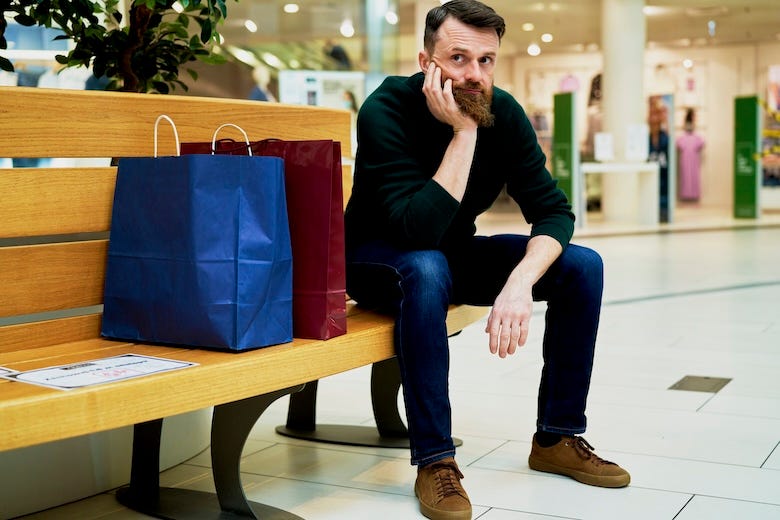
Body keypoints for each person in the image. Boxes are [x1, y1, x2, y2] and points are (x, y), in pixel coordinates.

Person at [343, 1, 630, 519]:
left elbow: (554, 212)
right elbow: (416, 231)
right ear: (426, 62)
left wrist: (519, 283)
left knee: (581, 266)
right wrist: (464, 132)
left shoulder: (506, 112)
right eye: (458, 58)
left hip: (446, 256)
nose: (474, 75)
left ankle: (557, 439)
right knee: (426, 265)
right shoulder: (385, 108)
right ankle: (435, 462)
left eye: (486, 60)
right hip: (376, 261)